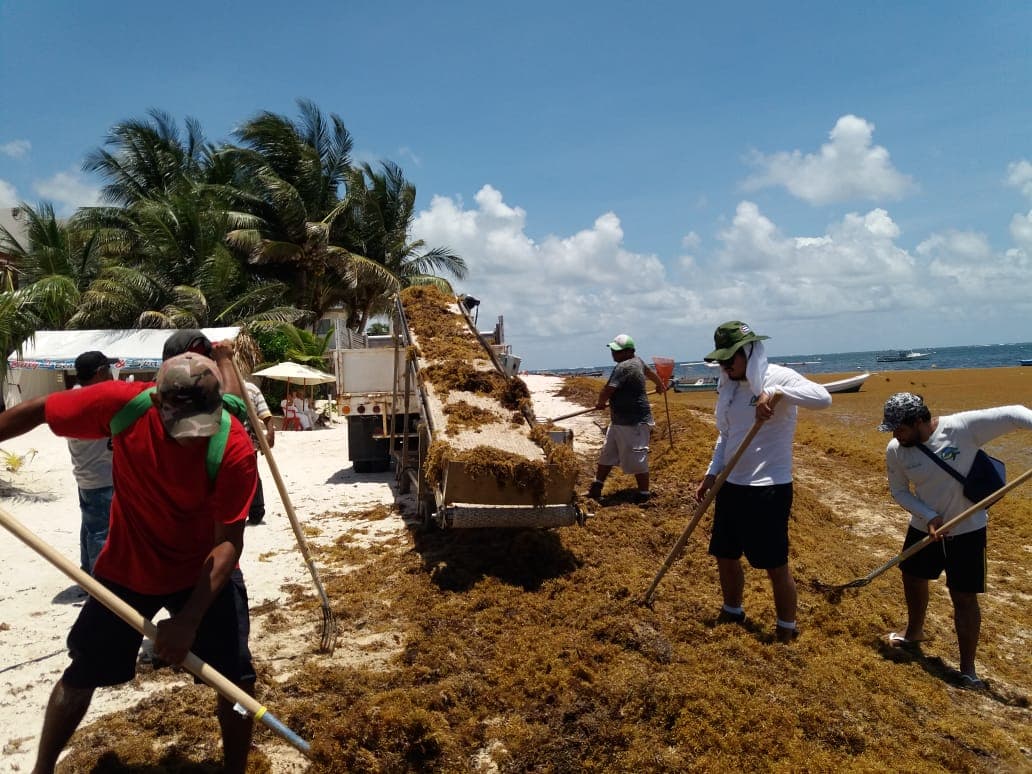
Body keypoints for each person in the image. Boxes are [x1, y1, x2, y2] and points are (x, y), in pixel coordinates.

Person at [0, 352, 258, 774]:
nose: (194, 439)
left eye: (202, 428)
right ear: (157, 403)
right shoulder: (121, 405)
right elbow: (38, 410)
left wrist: (190, 618)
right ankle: (42, 769)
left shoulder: (233, 449)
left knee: (237, 682)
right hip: (128, 568)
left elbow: (228, 543)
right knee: (83, 672)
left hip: (201, 571)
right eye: (182, 430)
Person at [878, 392, 1032, 687]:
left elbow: (1013, 413)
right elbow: (899, 491)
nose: (896, 435)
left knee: (963, 597)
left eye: (900, 428)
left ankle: (967, 670)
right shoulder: (896, 450)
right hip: (925, 527)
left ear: (920, 420)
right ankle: (914, 633)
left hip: (968, 529)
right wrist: (928, 516)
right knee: (911, 576)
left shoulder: (961, 428)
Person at [695, 321, 831, 643]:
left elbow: (823, 398)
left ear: (749, 351)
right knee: (725, 555)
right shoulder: (728, 387)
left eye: (731, 358)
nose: (726, 366)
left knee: (774, 565)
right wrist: (712, 472)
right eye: (721, 361)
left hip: (768, 487)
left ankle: (786, 629)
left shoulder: (777, 377)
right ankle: (732, 610)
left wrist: (778, 393)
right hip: (731, 483)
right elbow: (726, 436)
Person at [586, 334, 667, 504]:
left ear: (628, 352)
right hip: (618, 421)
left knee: (638, 458)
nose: (613, 354)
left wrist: (600, 403)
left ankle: (644, 494)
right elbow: (650, 373)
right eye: (613, 351)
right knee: (607, 454)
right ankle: (597, 486)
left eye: (616, 351)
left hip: (634, 421)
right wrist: (660, 384)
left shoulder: (624, 367)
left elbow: (608, 389)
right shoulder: (637, 361)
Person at [66, 351, 119, 573]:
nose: (111, 375)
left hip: (86, 475)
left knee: (90, 526)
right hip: (101, 477)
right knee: (101, 532)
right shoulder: (91, 401)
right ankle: (100, 585)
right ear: (99, 373)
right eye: (108, 370)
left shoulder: (74, 396)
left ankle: (87, 572)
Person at [243, 380, 275, 524]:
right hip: (224, 441)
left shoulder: (250, 388)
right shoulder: (216, 386)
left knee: (252, 475)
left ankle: (256, 511)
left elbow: (265, 414)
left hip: (248, 441)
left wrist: (270, 432)